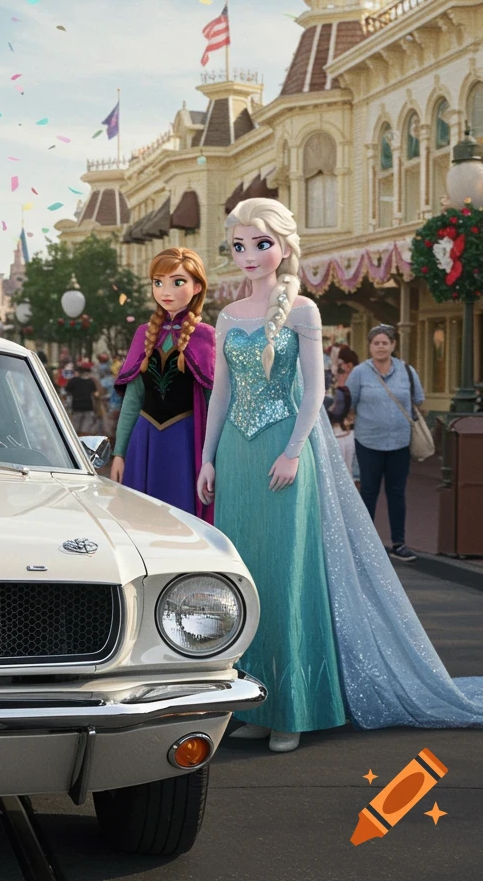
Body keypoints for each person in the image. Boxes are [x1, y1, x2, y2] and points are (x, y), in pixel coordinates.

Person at [199, 198, 483, 754]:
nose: (250, 256)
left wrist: (293, 451)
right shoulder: (228, 316)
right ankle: (257, 703)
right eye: (239, 246)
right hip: (237, 457)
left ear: (282, 246)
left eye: (261, 244)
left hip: (286, 459)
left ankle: (295, 708)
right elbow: (220, 398)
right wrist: (208, 457)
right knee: (247, 582)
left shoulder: (302, 309)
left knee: (288, 578)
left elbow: (314, 393)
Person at [111, 247, 216, 521]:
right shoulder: (143, 334)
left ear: (196, 287)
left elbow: (213, 403)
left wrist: (211, 459)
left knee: (182, 521)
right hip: (143, 441)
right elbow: (133, 399)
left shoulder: (206, 336)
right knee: (139, 521)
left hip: (185, 443)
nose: (165, 290)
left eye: (177, 282)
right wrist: (120, 453)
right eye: (158, 282)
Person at [344, 325, 425, 563]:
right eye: (376, 343)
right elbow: (349, 401)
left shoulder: (406, 371)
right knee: (368, 492)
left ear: (393, 346)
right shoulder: (360, 372)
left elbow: (418, 399)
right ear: (369, 347)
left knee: (397, 493)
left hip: (399, 442)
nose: (380, 346)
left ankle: (398, 543)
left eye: (385, 343)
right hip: (368, 442)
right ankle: (366, 545)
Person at [327, 346, 360, 481]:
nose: (336, 366)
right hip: (337, 432)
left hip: (348, 432)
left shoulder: (353, 383)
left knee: (348, 473)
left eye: (339, 363)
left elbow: (340, 408)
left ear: (348, 365)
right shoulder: (335, 382)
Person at [64, 362, 100, 436]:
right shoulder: (91, 382)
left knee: (75, 428)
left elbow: (67, 391)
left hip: (76, 406)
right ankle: (82, 443)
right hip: (88, 407)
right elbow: (95, 394)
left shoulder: (73, 381)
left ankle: (75, 443)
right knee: (85, 428)